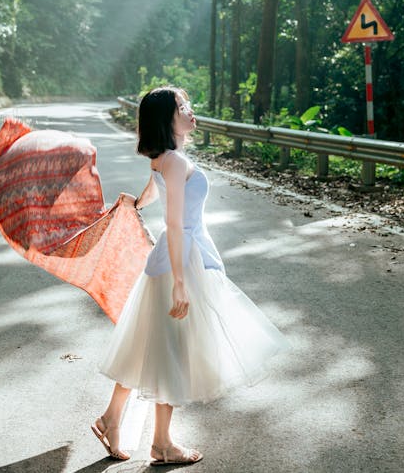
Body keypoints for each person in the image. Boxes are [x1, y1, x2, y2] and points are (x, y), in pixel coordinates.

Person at [92, 86, 290, 465]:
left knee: (148, 345)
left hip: (170, 260)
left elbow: (156, 190)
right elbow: (176, 223)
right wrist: (181, 284)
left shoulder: (165, 159)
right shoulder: (176, 161)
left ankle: (111, 418)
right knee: (171, 352)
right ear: (167, 119)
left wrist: (134, 202)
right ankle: (162, 444)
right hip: (180, 262)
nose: (191, 111)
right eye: (183, 107)